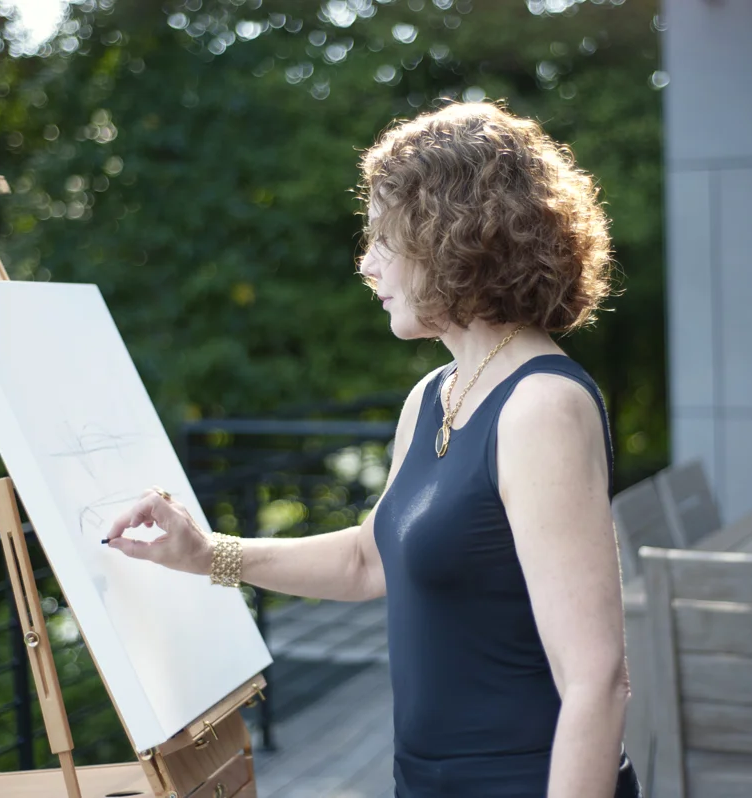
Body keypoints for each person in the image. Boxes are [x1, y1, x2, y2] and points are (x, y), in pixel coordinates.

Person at [105, 101, 641, 798]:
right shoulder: (433, 397)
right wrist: (207, 554)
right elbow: (368, 560)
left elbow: (597, 680)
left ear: (454, 239)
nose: (368, 265)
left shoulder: (543, 405)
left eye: (384, 241)